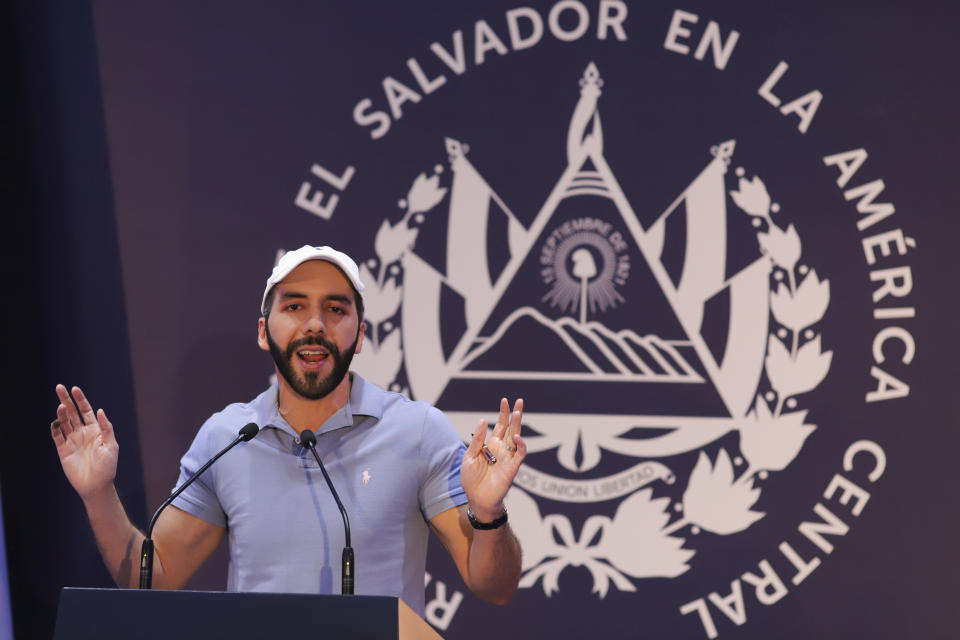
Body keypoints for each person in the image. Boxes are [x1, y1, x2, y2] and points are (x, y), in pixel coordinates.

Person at [51, 245, 525, 613]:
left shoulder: (417, 430)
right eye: (294, 307)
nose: (314, 325)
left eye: (336, 310)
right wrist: (98, 494)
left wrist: (489, 512)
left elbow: (495, 586)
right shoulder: (229, 437)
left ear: (360, 336)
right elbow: (150, 578)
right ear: (264, 331)